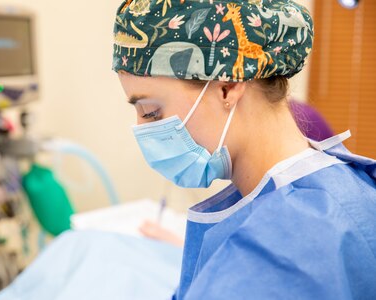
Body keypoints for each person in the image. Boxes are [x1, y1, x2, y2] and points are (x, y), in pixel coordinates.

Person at [112, 0, 376, 299]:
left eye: (150, 111)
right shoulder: (341, 187)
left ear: (227, 87)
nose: (143, 129)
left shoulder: (282, 246)